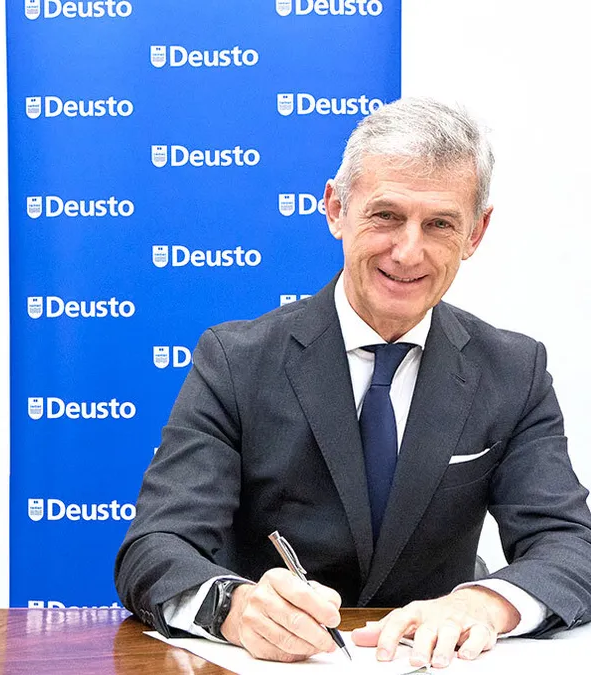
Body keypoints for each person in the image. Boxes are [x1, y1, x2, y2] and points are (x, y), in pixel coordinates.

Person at [115, 97, 591, 669]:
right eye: (386, 215)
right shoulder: (236, 361)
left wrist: (485, 605)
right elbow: (156, 547)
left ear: (476, 233)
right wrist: (233, 609)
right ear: (336, 209)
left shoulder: (514, 370)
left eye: (439, 224)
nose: (408, 252)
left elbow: (571, 545)